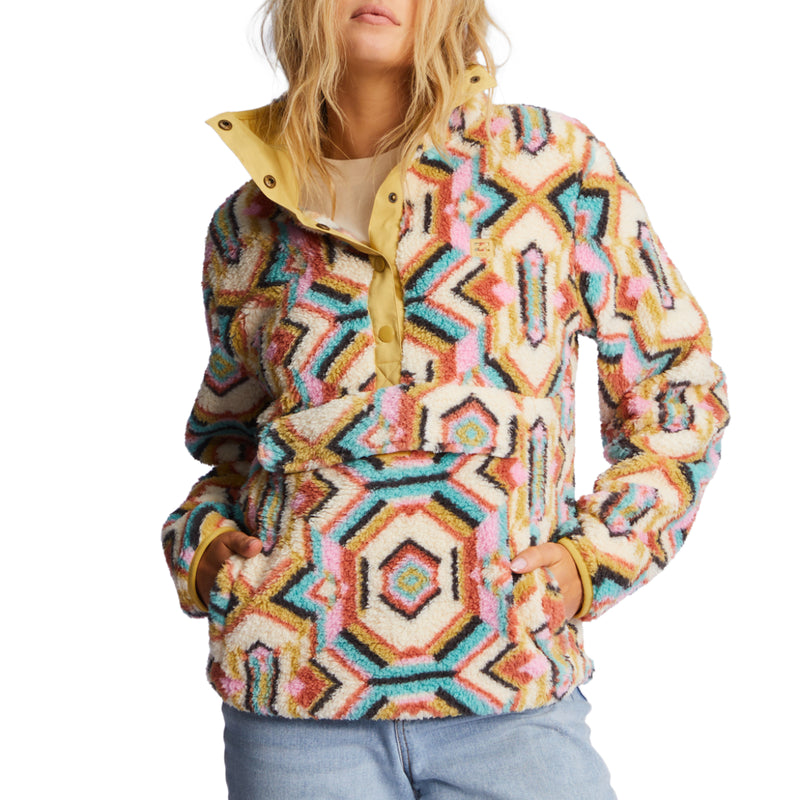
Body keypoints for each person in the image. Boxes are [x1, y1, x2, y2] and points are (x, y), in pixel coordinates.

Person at [162, 1, 729, 797]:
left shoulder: (555, 164)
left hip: (512, 693)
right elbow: (230, 450)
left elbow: (678, 391)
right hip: (294, 707)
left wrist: (596, 560)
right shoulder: (246, 226)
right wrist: (203, 547)